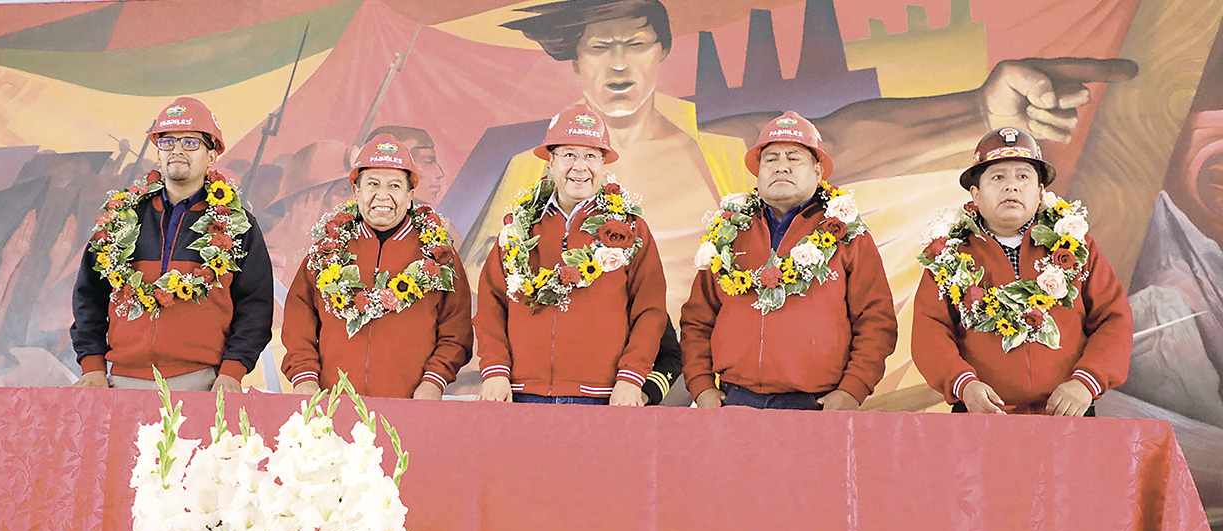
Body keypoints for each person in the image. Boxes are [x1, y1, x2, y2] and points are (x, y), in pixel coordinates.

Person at [459, 0, 1137, 321]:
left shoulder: (717, 152)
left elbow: (842, 139)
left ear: (661, 53)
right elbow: (475, 286)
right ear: (575, 62)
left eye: (634, 43)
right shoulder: (533, 171)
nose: (617, 62)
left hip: (695, 393)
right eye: (599, 47)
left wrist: (979, 114)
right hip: (562, 391)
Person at [680, 111, 897, 410]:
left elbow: (876, 322)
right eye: (770, 159)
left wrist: (851, 391)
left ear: (818, 172)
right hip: (734, 401)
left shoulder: (848, 235)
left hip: (817, 405)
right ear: (758, 172)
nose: (781, 166)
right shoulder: (727, 233)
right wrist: (701, 386)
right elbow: (697, 319)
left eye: (794, 157)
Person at [911, 127, 1133, 415]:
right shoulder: (950, 256)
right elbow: (930, 332)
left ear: (1040, 192)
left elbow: (1114, 320)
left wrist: (1085, 383)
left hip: (1067, 413)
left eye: (1023, 176)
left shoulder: (1077, 248)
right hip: (981, 413)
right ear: (975, 195)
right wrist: (963, 385)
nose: (1011, 186)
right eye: (998, 177)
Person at [70, 97, 273, 392]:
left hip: (203, 383)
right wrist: (92, 366)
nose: (177, 150)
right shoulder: (122, 218)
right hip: (121, 382)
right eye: (167, 142)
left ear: (212, 155)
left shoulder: (238, 225)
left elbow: (255, 306)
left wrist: (232, 372)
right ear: (158, 152)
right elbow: (89, 296)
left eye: (190, 142)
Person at [474, 104, 666, 405]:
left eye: (590, 155)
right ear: (550, 163)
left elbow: (649, 310)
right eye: (568, 155)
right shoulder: (518, 228)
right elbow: (491, 306)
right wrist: (495, 371)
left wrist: (631, 378)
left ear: (604, 165)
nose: (580, 167)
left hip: (603, 396)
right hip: (522, 393)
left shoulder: (630, 229)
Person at [281, 133, 472, 398]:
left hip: (412, 405)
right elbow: (299, 321)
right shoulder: (328, 248)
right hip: (331, 403)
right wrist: (305, 380)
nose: (383, 196)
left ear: (410, 195)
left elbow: (456, 330)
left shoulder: (439, 254)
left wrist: (432, 383)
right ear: (357, 192)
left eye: (394, 186)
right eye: (373, 184)